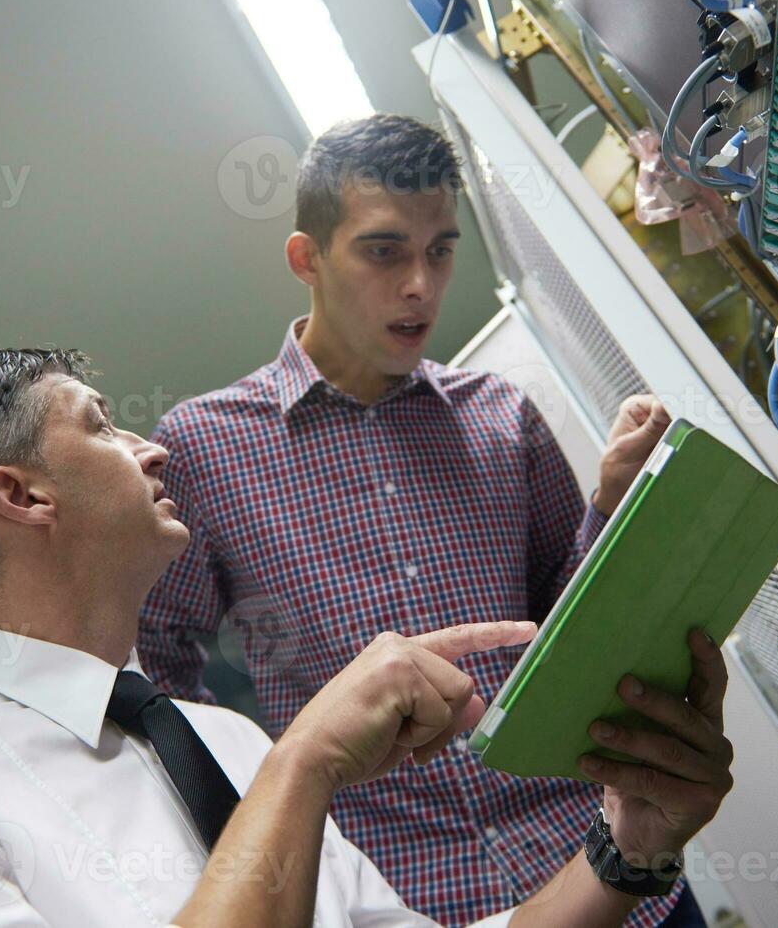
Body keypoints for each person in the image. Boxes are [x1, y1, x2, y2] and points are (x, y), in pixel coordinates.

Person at [0, 349, 734, 927]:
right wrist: (308, 759)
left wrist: (628, 846)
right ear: (22, 496)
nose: (151, 448)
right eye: (101, 427)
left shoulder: (229, 745)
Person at [138, 114, 688, 926]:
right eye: (384, 250)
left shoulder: (502, 415)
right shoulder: (201, 445)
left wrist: (611, 503)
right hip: (404, 898)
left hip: (606, 867)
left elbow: (569, 626)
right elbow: (156, 668)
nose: (421, 286)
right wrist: (263, 818)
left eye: (440, 250)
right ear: (307, 259)